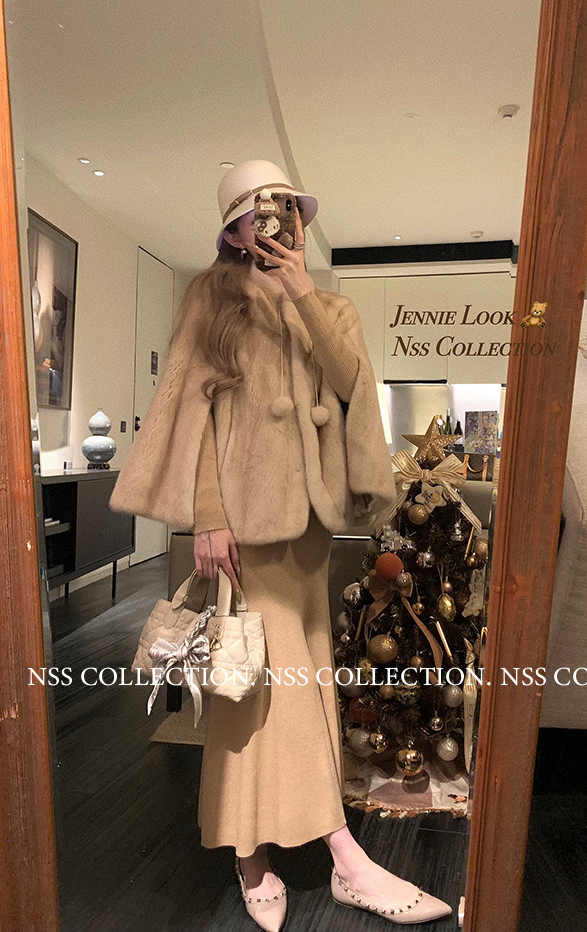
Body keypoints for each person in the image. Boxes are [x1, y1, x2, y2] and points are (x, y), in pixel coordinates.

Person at [109, 161, 452, 930]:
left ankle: (250, 850)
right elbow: (192, 409)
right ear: (234, 229)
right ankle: (344, 859)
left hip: (307, 527)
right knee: (265, 678)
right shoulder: (211, 298)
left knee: (280, 682)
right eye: (259, 211)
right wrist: (207, 514)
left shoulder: (326, 304)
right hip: (244, 524)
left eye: (287, 208)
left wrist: (299, 291)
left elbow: (351, 385)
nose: (276, 222)